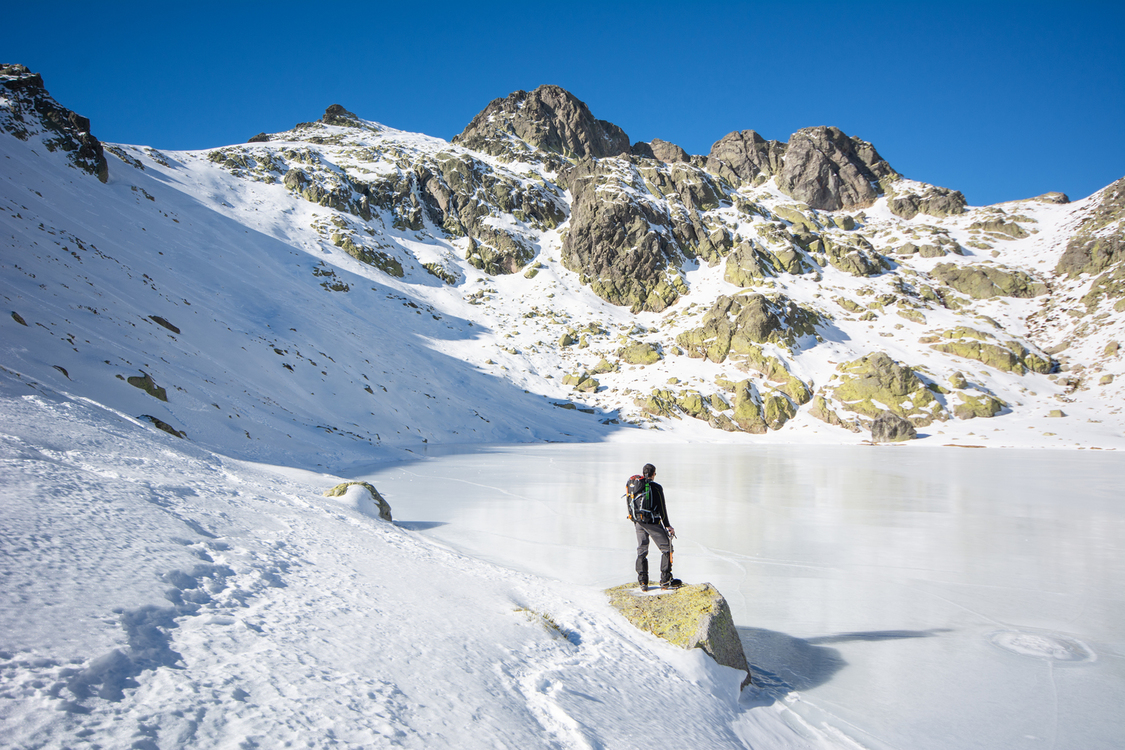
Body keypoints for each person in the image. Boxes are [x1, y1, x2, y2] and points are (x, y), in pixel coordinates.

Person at [631, 463, 680, 589]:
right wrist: (668, 525)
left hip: (638, 522)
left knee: (642, 550)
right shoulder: (657, 487)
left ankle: (643, 582)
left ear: (643, 473)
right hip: (653, 523)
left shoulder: (637, 486)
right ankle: (665, 580)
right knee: (667, 549)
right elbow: (662, 509)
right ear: (654, 474)